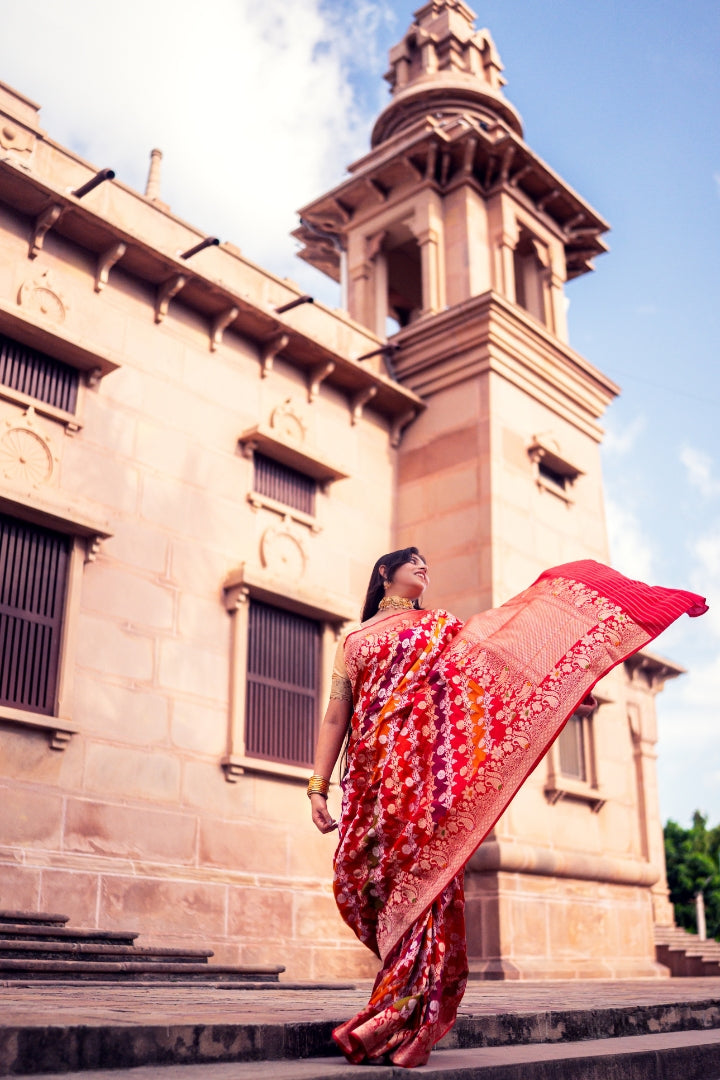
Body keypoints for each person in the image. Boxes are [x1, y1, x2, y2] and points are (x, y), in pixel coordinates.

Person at [308, 548, 707, 1068]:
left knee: (426, 886)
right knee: (369, 883)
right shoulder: (354, 642)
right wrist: (318, 785)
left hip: (426, 779)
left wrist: (563, 683)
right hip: (370, 781)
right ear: (384, 572)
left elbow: (492, 668)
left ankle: (403, 1019)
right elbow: (337, 716)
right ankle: (397, 1012)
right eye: (414, 562)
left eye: (429, 562)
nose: (426, 568)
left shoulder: (441, 628)